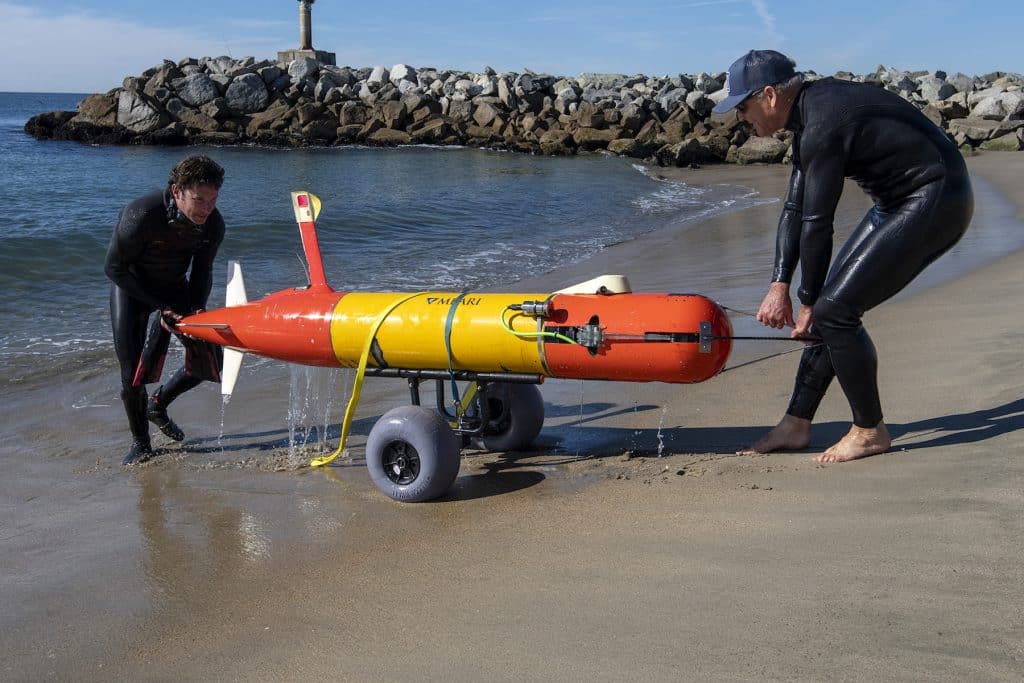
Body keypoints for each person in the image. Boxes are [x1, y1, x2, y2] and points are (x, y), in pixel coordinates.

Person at [712, 50, 974, 462]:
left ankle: (870, 430)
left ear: (769, 96)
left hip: (937, 197)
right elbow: (794, 211)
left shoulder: (822, 124)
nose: (740, 118)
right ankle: (796, 424)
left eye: (743, 107)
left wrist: (806, 301)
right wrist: (780, 283)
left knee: (832, 312)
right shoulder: (807, 119)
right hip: (896, 201)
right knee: (829, 311)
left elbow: (818, 222)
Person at [105, 155, 226, 465]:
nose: (206, 209)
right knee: (131, 375)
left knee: (211, 362)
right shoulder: (142, 214)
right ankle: (142, 443)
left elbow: (202, 271)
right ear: (177, 192)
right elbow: (114, 268)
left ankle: (159, 404)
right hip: (131, 289)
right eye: (199, 200)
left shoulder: (213, 224)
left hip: (174, 289)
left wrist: (197, 312)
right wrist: (161, 308)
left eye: (212, 200)